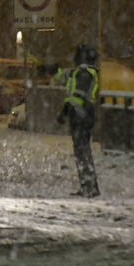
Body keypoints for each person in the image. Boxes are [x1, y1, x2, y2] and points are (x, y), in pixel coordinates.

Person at [55, 43, 101, 197]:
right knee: (82, 150)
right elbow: (65, 80)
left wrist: (65, 111)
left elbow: (76, 96)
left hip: (80, 115)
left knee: (82, 151)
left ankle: (89, 186)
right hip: (84, 114)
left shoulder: (83, 73)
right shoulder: (85, 72)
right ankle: (89, 186)